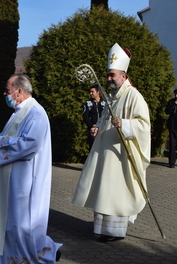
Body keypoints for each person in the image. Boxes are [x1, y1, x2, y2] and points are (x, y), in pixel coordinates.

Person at [0, 74, 62, 263]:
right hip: (12, 179)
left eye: (7, 90)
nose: (5, 93)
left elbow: (30, 144)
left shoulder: (36, 113)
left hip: (25, 180)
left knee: (19, 224)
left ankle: (30, 256)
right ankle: (5, 257)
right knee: (8, 223)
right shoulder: (20, 112)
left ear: (19, 91)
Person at [72, 43, 151, 242]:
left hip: (120, 155)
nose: (109, 79)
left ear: (123, 76)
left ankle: (114, 232)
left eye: (112, 75)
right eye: (107, 75)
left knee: (116, 191)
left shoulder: (134, 96)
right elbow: (105, 117)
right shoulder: (112, 97)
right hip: (105, 153)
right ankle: (102, 228)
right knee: (104, 189)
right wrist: (98, 126)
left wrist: (125, 124)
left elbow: (143, 124)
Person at [82, 85, 106, 150]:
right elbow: (85, 116)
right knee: (93, 148)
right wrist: (92, 125)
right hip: (93, 130)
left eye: (92, 92)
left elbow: (107, 115)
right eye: (90, 92)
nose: (91, 93)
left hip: (103, 128)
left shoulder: (105, 103)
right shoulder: (87, 104)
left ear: (98, 92)